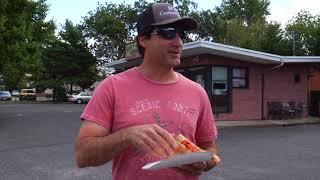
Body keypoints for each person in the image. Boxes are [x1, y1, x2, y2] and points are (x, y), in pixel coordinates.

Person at [75, 2, 218, 180]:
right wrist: (127, 136)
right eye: (169, 33)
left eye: (181, 34)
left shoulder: (197, 92)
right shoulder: (112, 86)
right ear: (143, 39)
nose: (179, 42)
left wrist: (205, 162)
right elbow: (83, 155)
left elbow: (209, 147)